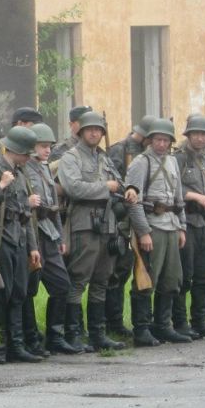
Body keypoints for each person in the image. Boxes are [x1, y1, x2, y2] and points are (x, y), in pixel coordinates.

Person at [56, 111, 126, 351]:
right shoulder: (70, 157)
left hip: (107, 223)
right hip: (84, 223)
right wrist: (105, 187)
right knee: (78, 279)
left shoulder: (104, 159)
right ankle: (73, 333)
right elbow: (73, 188)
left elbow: (119, 183)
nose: (94, 133)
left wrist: (129, 190)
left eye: (98, 130)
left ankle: (98, 334)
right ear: (81, 131)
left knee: (102, 280)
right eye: (90, 129)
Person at [0, 126, 42, 363]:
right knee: (1, 292)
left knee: (19, 293)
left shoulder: (21, 173)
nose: (28, 158)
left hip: (19, 237)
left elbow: (25, 214)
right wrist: (0, 186)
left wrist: (32, 246)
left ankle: (16, 346)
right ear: (17, 151)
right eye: (26, 153)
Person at [124, 118, 190, 345]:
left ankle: (163, 326)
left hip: (171, 225)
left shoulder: (172, 162)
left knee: (172, 279)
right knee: (146, 278)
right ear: (150, 140)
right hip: (153, 226)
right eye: (158, 140)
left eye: (166, 140)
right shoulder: (141, 163)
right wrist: (143, 232)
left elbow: (178, 198)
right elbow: (133, 200)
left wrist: (182, 226)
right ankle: (141, 329)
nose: (161, 144)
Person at [25, 123, 82, 354]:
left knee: (61, 285)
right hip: (33, 233)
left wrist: (60, 238)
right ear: (31, 147)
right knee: (28, 290)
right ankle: (30, 339)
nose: (47, 150)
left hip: (49, 233)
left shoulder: (45, 169)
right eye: (42, 146)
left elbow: (54, 207)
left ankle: (55, 337)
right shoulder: (24, 170)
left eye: (49, 146)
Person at [173, 114, 205, 339]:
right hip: (186, 222)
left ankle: (200, 321)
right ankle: (180, 322)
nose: (200, 138)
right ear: (188, 135)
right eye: (195, 134)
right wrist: (196, 197)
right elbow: (173, 187)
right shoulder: (179, 158)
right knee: (185, 275)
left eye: (204, 134)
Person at [105, 114, 156, 338]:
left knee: (128, 271)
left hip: (140, 217)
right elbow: (113, 188)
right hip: (120, 221)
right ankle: (112, 322)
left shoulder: (145, 154)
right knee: (116, 274)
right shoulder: (119, 150)